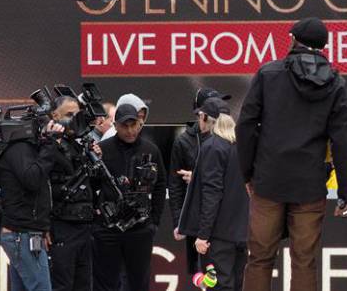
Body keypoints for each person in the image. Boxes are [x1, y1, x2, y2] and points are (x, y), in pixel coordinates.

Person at [236, 16, 347, 291]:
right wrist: (346, 193)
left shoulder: (269, 73)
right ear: (324, 47)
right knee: (304, 261)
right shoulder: (337, 83)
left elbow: (246, 125)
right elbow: (344, 141)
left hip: (268, 181)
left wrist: (248, 172)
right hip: (310, 185)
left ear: (293, 41)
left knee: (259, 259)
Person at [93, 103, 167, 291]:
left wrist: (153, 222)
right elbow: (91, 185)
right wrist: (96, 221)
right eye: (125, 125)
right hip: (107, 230)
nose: (130, 130)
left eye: (134, 125)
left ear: (140, 124)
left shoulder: (151, 150)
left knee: (139, 283)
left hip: (140, 230)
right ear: (115, 125)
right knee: (105, 283)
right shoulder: (102, 149)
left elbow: (160, 186)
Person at [178, 97, 248, 291]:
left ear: (207, 118)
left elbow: (212, 193)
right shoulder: (241, 147)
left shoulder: (212, 147)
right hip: (242, 233)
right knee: (237, 285)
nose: (199, 122)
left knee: (219, 286)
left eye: (200, 117)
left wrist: (203, 235)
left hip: (218, 235)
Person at [0, 106, 65, 291]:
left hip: (27, 232)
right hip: (21, 234)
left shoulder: (33, 149)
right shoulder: (19, 149)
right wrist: (50, 144)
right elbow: (32, 180)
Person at [169, 88, 231, 289]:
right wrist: (179, 220)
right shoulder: (184, 141)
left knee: (221, 277)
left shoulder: (229, 140)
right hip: (197, 219)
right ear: (200, 114)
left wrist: (196, 177)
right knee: (202, 275)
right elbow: (175, 183)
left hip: (224, 221)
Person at [47, 96, 103, 291]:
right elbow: (39, 186)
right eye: (69, 115)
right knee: (62, 285)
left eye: (76, 115)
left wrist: (96, 160)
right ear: (55, 116)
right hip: (61, 226)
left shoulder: (80, 146)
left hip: (85, 227)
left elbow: (91, 184)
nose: (73, 120)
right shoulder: (47, 145)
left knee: (84, 284)